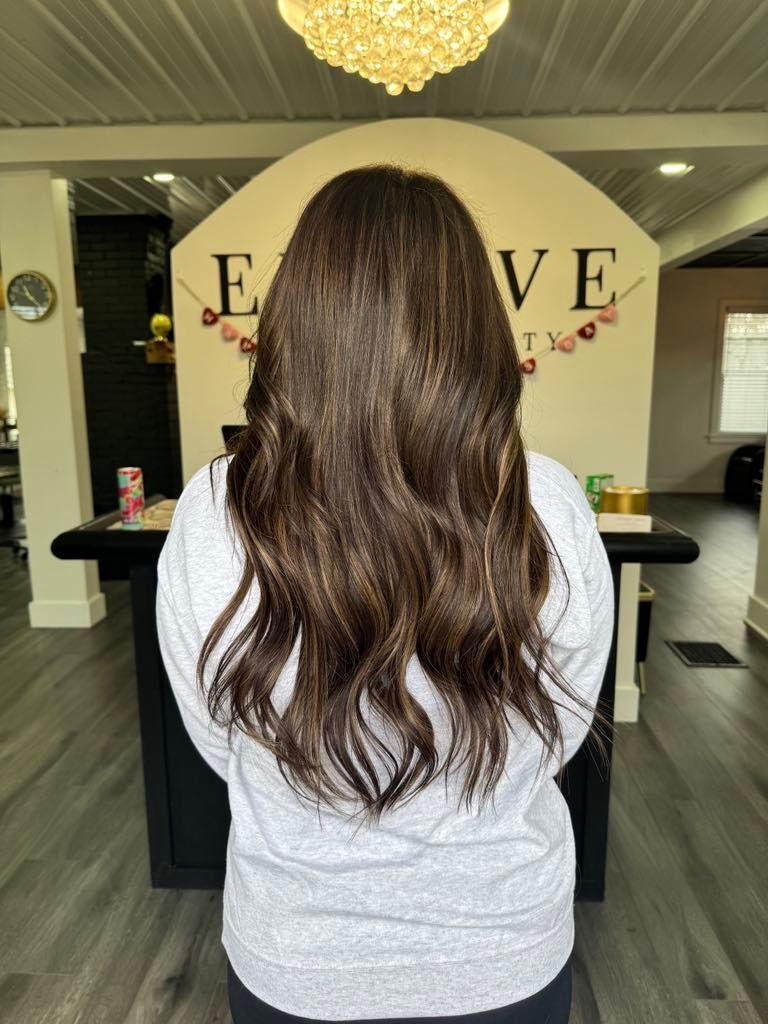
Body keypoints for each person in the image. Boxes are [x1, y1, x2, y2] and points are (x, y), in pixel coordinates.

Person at [156, 165, 614, 1024]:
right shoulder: (550, 504)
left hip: (298, 956)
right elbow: (559, 724)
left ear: (296, 318)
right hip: (503, 948)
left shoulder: (213, 509)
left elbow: (224, 740)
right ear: (478, 325)